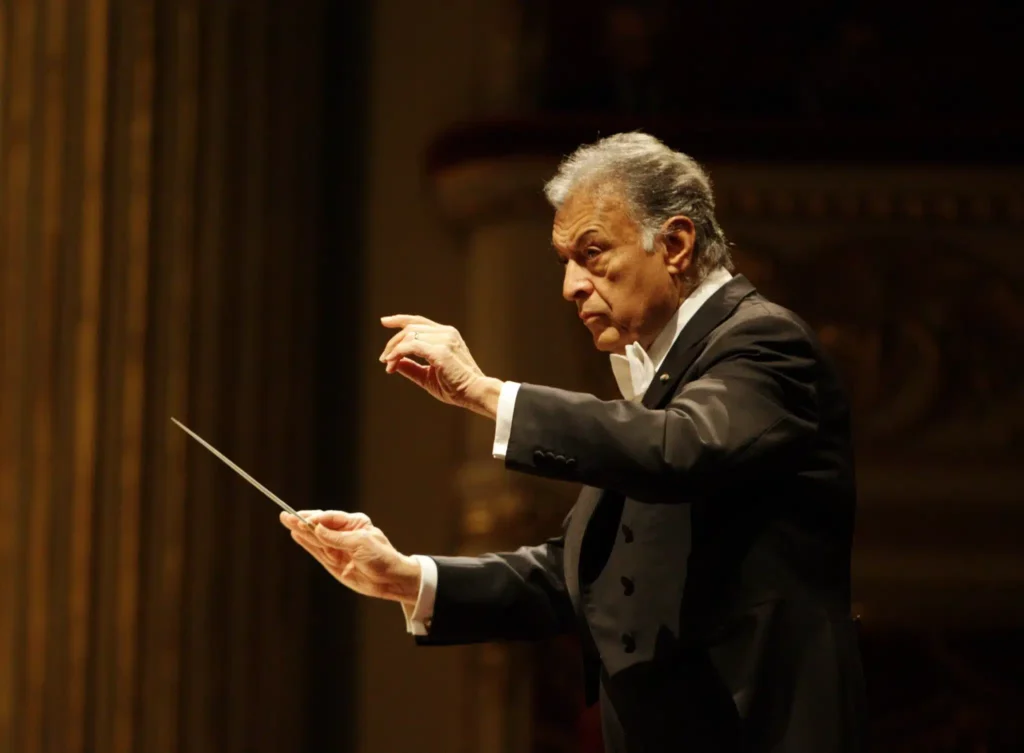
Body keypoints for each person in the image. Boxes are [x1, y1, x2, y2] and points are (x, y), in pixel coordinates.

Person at [280, 132, 867, 753]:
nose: (570, 286)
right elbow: (579, 574)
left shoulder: (765, 344)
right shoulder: (659, 378)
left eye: (592, 253)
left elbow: (680, 447)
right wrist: (407, 578)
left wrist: (486, 393)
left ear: (674, 244)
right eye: (565, 260)